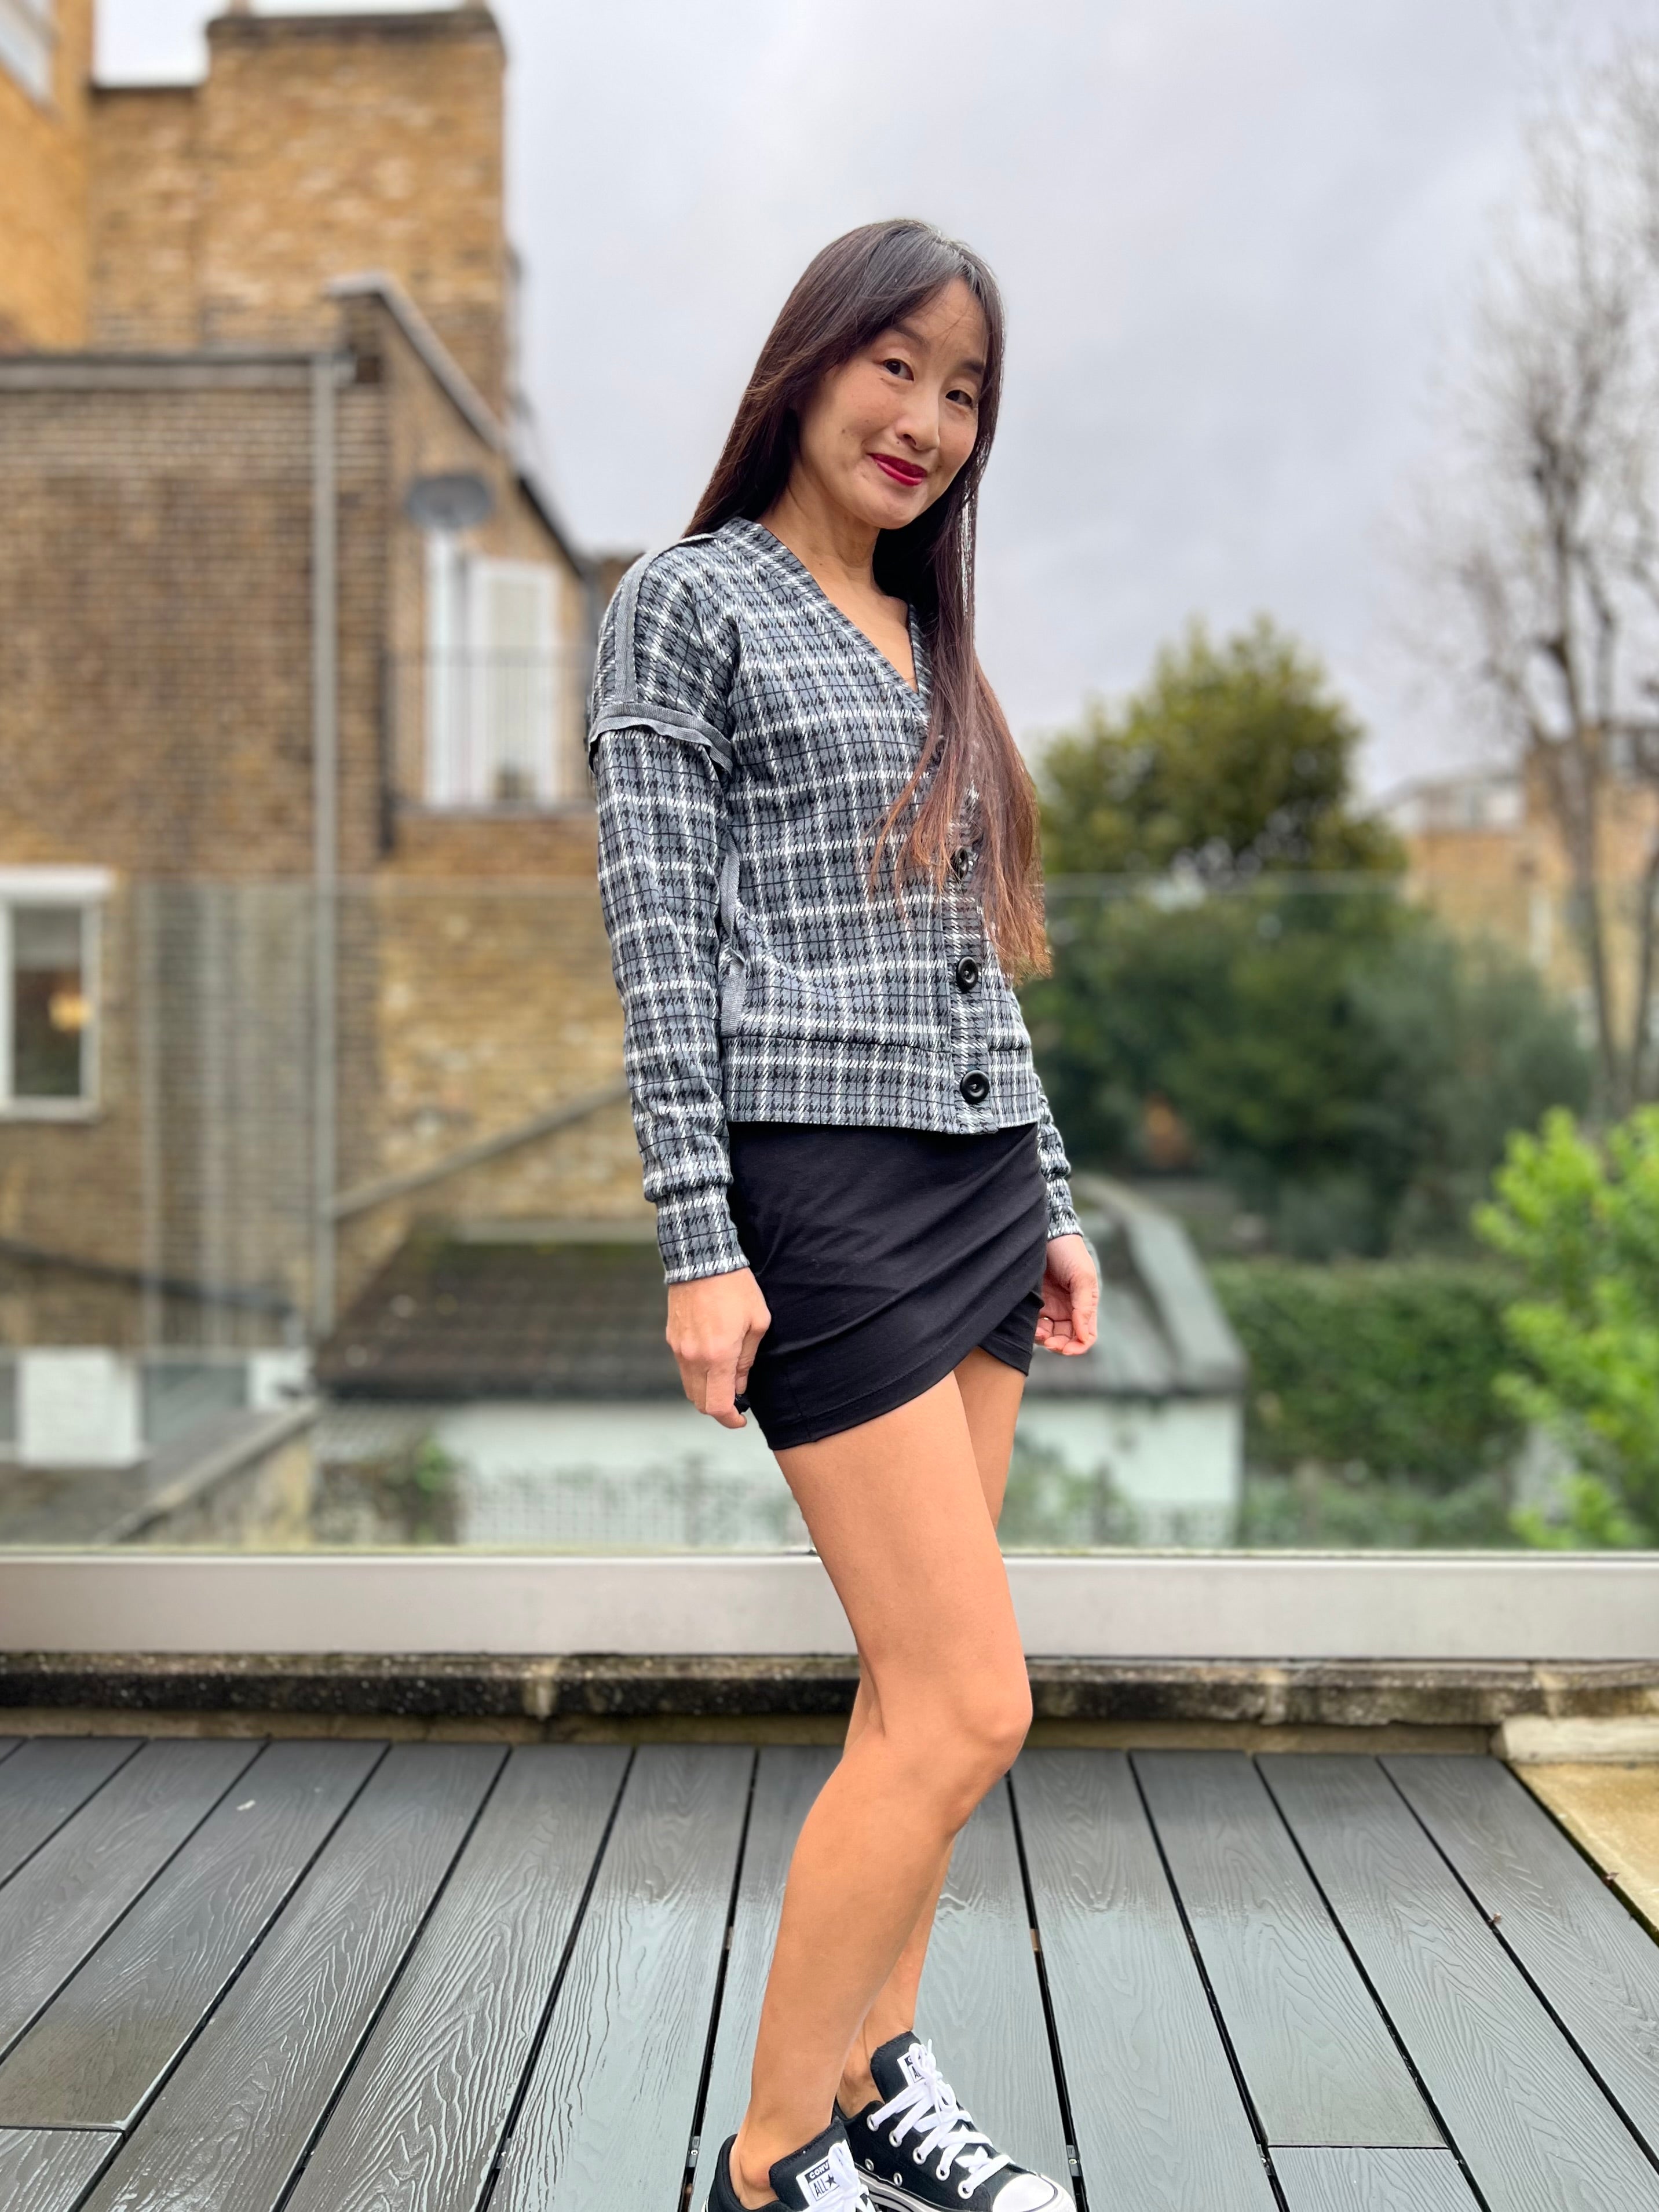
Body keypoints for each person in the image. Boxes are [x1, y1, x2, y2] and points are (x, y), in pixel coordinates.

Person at [587, 217, 1099, 2212]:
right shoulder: (687, 603)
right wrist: (697, 1238)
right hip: (821, 1191)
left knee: (915, 1701)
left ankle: (881, 2075)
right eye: (897, 364)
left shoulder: (927, 634)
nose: (927, 419)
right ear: (809, 361)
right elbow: (660, 946)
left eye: (965, 390)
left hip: (976, 1188)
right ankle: (773, 2153)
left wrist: (1051, 1195)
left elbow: (979, 956)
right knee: (977, 1700)